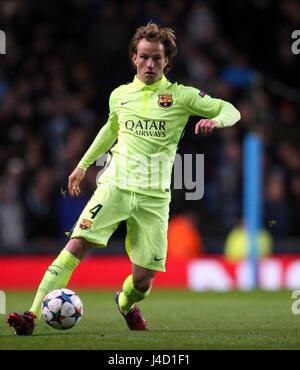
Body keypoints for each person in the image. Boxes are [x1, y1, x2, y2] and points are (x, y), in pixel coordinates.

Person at [7, 23, 240, 335]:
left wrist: (216, 119)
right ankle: (31, 316)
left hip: (154, 198)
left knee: (143, 282)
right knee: (76, 244)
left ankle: (127, 303)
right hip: (114, 186)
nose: (149, 64)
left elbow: (230, 109)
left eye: (156, 58)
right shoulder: (120, 95)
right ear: (134, 58)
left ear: (166, 60)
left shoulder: (182, 96)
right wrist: (82, 165)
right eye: (144, 57)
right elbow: (111, 130)